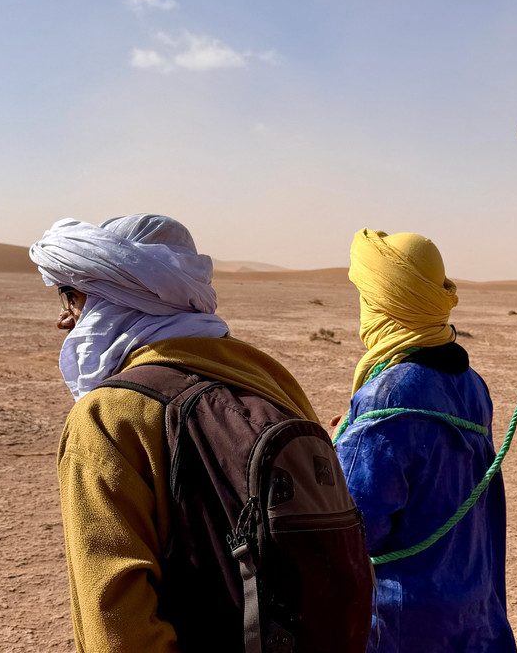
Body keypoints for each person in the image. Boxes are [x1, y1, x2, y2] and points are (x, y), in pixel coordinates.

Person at [31, 214, 371, 653]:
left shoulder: (107, 416)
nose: (65, 321)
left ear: (113, 297)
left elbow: (116, 624)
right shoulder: (267, 375)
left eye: (72, 300)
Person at [333, 229, 517, 653]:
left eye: (365, 296)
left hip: (403, 625)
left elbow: (356, 530)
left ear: (385, 304)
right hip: (475, 616)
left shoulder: (388, 396)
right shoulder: (470, 384)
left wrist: (334, 451)